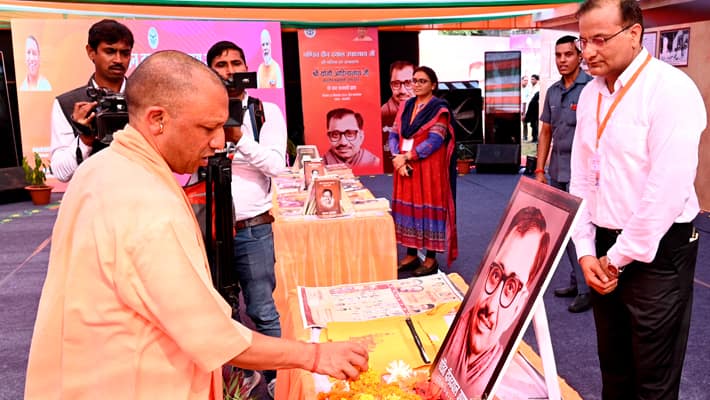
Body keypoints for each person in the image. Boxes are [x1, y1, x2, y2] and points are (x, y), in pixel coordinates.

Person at [25, 50, 368, 399]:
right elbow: (212, 334)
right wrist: (314, 355)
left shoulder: (102, 168)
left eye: (223, 126)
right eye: (208, 127)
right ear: (158, 119)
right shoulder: (143, 200)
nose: (219, 142)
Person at [570, 1, 705, 399]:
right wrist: (585, 251)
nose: (588, 52)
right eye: (583, 41)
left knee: (653, 378)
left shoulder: (670, 90)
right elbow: (581, 177)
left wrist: (616, 259)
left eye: (599, 39)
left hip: (659, 250)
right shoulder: (592, 94)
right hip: (603, 250)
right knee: (614, 368)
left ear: (634, 33)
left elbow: (665, 192)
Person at [206, 40, 288, 396]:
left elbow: (276, 166)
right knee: (222, 310)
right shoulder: (199, 112)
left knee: (262, 308)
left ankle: (277, 376)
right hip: (208, 227)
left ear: (246, 67)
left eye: (235, 62)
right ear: (209, 71)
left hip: (253, 228)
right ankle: (243, 371)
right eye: (220, 64)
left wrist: (238, 140)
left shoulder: (265, 110)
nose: (228, 69)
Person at [438, 207, 549, 397]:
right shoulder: (451, 348)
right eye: (496, 274)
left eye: (511, 288)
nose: (490, 306)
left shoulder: (488, 375)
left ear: (519, 306)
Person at [535, 35, 593, 313]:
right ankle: (576, 279)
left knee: (579, 229)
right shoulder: (552, 91)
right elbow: (546, 131)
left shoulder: (591, 89)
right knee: (563, 231)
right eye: (558, 55)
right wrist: (539, 169)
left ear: (580, 56)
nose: (562, 60)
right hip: (558, 170)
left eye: (568, 54)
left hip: (582, 175)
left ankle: (586, 289)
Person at [389, 66, 457, 276]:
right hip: (405, 168)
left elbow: (435, 141)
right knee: (408, 209)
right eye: (414, 81)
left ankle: (430, 259)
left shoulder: (439, 109)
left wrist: (407, 156)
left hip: (429, 169)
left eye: (422, 81)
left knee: (429, 209)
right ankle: (410, 254)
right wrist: (397, 158)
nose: (416, 85)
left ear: (433, 85)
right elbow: (394, 133)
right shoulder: (405, 106)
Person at [49, 19, 133, 182]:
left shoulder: (145, 98)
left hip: (142, 195)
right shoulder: (67, 103)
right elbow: (60, 173)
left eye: (125, 53)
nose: (118, 60)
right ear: (91, 52)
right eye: (110, 51)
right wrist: (85, 139)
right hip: (93, 198)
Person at [524, 74, 540, 143]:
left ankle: (535, 138)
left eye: (533, 79)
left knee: (535, 124)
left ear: (537, 80)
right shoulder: (531, 88)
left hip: (535, 108)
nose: (531, 80)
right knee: (532, 124)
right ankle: (533, 138)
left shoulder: (538, 88)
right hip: (530, 108)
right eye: (531, 79)